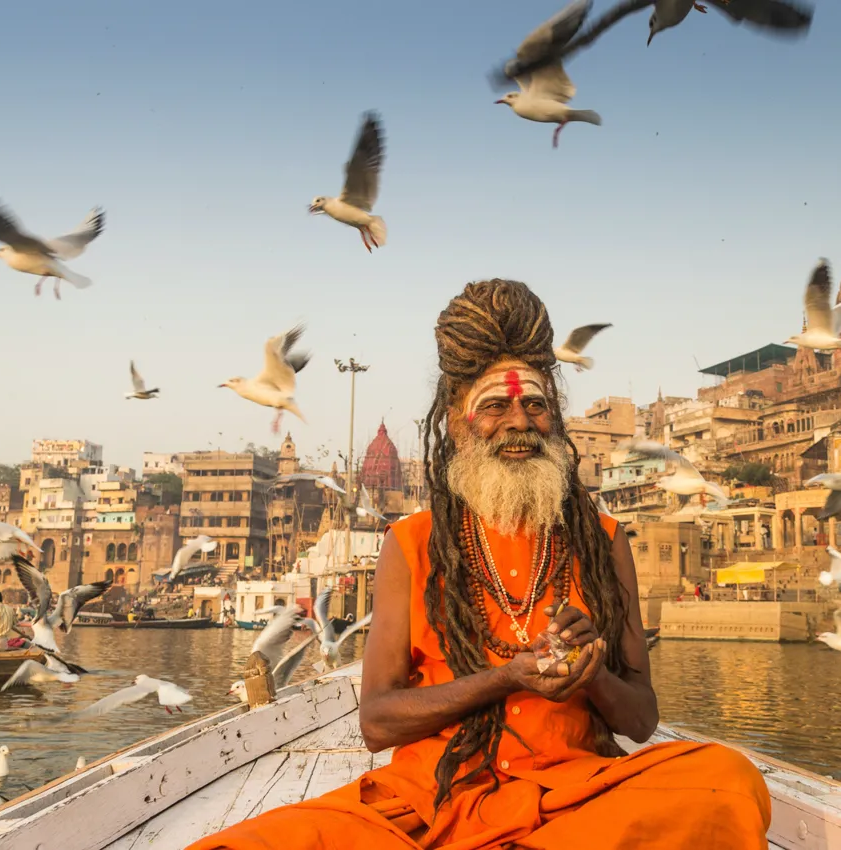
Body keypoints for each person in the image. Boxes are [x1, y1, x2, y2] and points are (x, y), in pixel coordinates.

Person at [189, 280, 770, 850]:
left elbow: (640, 721)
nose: (519, 422)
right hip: (430, 800)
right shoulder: (412, 542)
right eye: (495, 405)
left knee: (729, 782)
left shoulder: (603, 541)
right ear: (456, 420)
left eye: (535, 405)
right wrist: (506, 677)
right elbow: (378, 722)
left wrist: (591, 672)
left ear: (554, 417)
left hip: (572, 797)